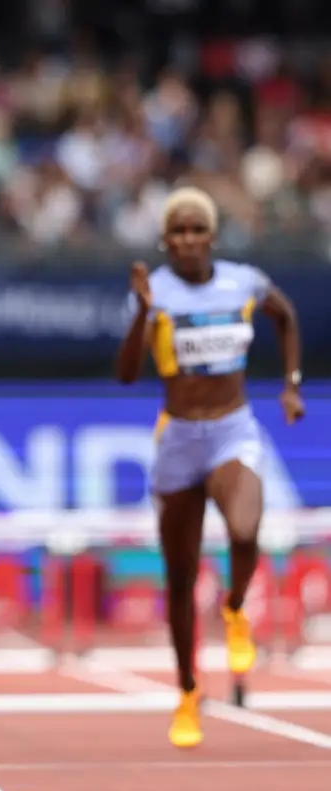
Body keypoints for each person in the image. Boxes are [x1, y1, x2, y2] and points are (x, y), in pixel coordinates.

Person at [115, 186, 304, 749]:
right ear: (165, 240)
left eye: (199, 230)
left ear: (213, 236)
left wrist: (290, 386)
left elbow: (287, 316)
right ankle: (187, 693)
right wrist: (143, 314)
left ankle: (236, 605)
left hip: (232, 428)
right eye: (179, 232)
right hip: (178, 439)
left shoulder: (243, 281)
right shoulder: (156, 293)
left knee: (246, 529)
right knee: (178, 575)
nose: (189, 240)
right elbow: (127, 375)